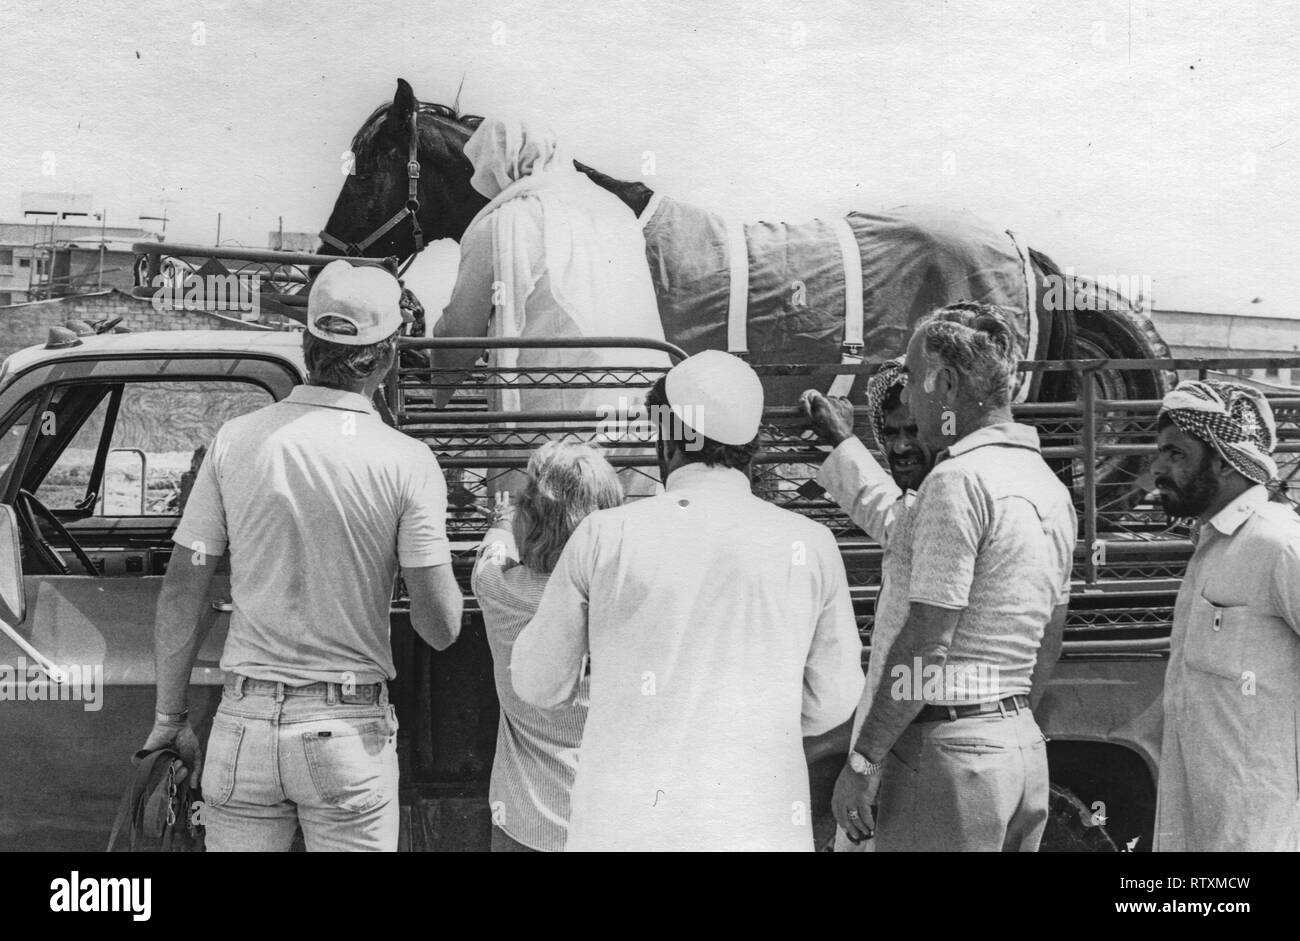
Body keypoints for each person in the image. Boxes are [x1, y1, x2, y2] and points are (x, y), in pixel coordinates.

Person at [141, 260, 464, 852]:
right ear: (387, 356)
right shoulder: (407, 461)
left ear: (307, 344)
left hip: (243, 730)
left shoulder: (235, 441)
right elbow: (439, 628)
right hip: (345, 733)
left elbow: (181, 594)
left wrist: (170, 721)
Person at [511, 350, 864, 851]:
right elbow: (833, 700)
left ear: (668, 442)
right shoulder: (809, 544)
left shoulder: (603, 537)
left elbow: (539, 682)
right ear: (752, 445)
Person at [832, 302, 1076, 852]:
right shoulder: (1048, 487)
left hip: (948, 752)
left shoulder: (957, 479)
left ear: (943, 382)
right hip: (1018, 747)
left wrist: (864, 761)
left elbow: (927, 640)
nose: (912, 404)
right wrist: (1000, 730)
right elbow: (1049, 638)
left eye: (916, 382)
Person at [432, 114, 669, 498]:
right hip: (639, 414)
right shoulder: (615, 211)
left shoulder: (501, 224)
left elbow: (459, 334)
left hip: (553, 424)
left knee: (552, 543)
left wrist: (436, 377)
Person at [800, 357, 950, 851]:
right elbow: (886, 511)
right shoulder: (920, 503)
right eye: (892, 433)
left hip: (921, 742)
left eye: (913, 430)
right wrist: (844, 441)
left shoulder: (950, 499)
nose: (903, 445)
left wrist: (864, 764)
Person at [1150, 379, 1300, 851]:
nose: (1157, 468)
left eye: (1176, 454)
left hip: (1259, 832)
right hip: (1197, 825)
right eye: (1160, 453)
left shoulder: (1276, 543)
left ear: (1223, 459)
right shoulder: (1212, 546)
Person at [472, 441, 623, 852]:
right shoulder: (626, 601)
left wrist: (502, 522)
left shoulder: (498, 589)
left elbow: (493, 552)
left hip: (526, 823)